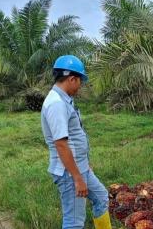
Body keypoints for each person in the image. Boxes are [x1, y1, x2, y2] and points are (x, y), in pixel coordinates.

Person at [41, 55, 112, 229]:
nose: (80, 86)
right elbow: (61, 144)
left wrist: (85, 165)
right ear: (72, 79)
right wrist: (77, 178)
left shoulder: (64, 100)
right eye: (80, 81)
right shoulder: (56, 103)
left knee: (101, 197)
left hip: (80, 167)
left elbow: (72, 137)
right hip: (69, 173)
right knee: (74, 222)